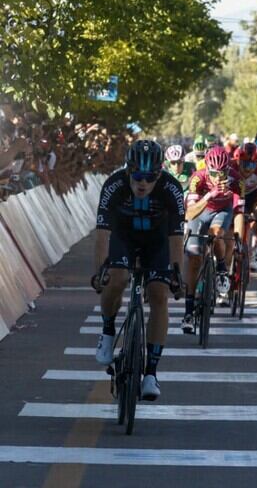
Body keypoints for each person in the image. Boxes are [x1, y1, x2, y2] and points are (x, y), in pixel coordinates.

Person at [92, 140, 185, 400]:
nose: (142, 183)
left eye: (150, 177)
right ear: (127, 170)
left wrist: (177, 274)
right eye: (137, 176)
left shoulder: (171, 188)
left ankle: (151, 374)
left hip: (157, 242)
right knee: (117, 278)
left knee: (158, 294)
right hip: (124, 238)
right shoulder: (114, 185)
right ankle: (108, 332)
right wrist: (100, 271)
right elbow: (101, 235)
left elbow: (177, 237)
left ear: (159, 174)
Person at [181, 145, 240, 334]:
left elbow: (240, 212)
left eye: (223, 173)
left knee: (216, 234)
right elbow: (190, 213)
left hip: (222, 211)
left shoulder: (236, 179)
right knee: (194, 259)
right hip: (200, 211)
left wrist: (239, 237)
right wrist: (210, 194)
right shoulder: (197, 178)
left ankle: (222, 268)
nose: (219, 177)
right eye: (214, 173)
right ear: (207, 168)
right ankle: (189, 312)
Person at [231, 142, 257, 272]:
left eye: (252, 164)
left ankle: (253, 251)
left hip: (253, 197)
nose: (248, 169)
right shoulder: (230, 167)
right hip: (234, 194)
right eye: (245, 164)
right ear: (237, 160)